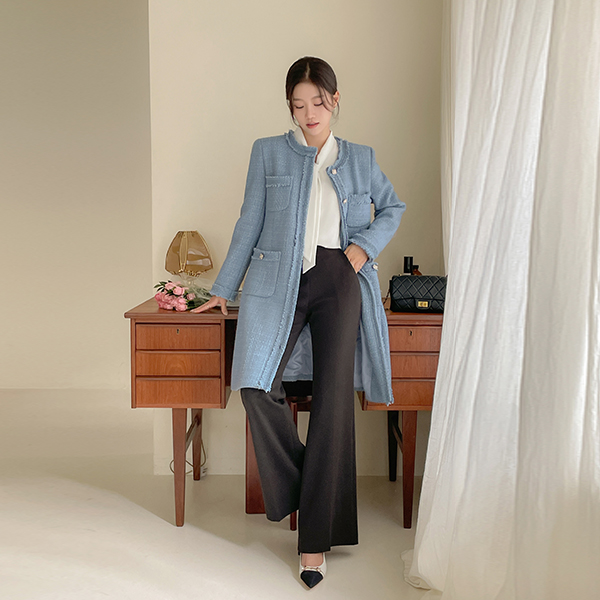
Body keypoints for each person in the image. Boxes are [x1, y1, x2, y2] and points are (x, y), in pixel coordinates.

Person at [192, 56, 406, 588]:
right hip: (277, 279)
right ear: (289, 107)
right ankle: (309, 487)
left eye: (318, 102)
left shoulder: (360, 158)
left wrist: (362, 248)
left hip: (339, 277)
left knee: (333, 402)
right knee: (253, 385)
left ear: (335, 100)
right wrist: (222, 290)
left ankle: (313, 546)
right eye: (298, 104)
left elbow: (393, 207)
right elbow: (249, 221)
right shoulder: (268, 152)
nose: (309, 113)